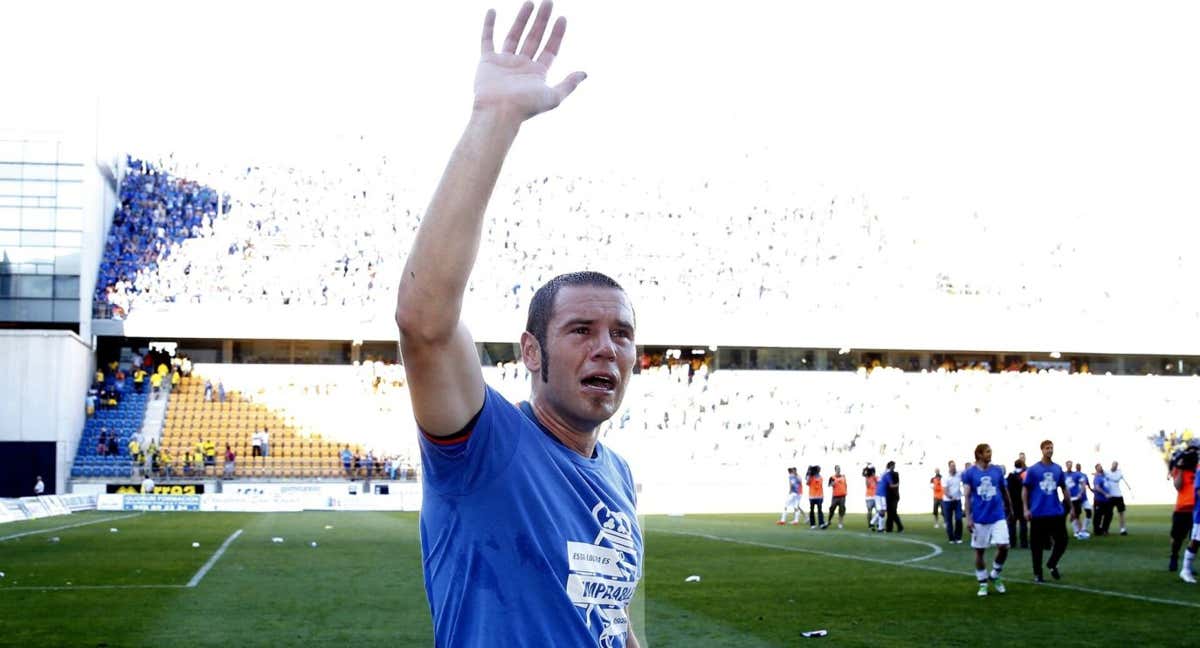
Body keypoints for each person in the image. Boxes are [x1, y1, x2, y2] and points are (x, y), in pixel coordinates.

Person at [394, 4, 640, 645]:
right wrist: (495, 118)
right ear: (531, 351)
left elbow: (612, 623)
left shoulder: (617, 475)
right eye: (581, 330)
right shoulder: (483, 447)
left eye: (621, 334)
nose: (607, 349)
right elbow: (424, 323)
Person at [963, 443, 1013, 596]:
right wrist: (968, 517)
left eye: (990, 451)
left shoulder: (997, 470)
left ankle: (996, 573)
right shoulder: (970, 473)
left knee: (1004, 546)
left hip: (998, 515)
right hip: (979, 517)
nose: (990, 454)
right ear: (979, 454)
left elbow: (1004, 490)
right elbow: (967, 496)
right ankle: (983, 583)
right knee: (980, 551)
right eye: (987, 452)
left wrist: (1010, 507)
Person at [1023, 440, 1076, 583]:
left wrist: (1071, 508)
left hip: (1055, 512)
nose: (1050, 450)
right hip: (1038, 513)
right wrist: (1026, 509)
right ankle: (1038, 574)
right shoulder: (1034, 470)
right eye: (1047, 448)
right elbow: (1025, 489)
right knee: (1037, 546)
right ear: (1042, 450)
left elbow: (1064, 489)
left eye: (1051, 448)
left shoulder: (1058, 469)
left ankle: (1052, 563)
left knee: (1063, 541)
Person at [1169, 446, 1198, 572]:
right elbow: (1178, 486)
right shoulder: (1178, 469)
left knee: (1195, 539)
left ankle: (1188, 566)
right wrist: (1180, 468)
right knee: (1177, 538)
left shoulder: (1197, 469)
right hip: (1182, 509)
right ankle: (1174, 556)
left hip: (1196, 510)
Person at [1006, 458, 1029, 549]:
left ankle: (1012, 543)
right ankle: (1024, 543)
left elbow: (1007, 489)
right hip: (1022, 503)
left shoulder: (1010, 476)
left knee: (1012, 524)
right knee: (1023, 525)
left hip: (1013, 503)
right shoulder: (1024, 475)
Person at [941, 460, 964, 544]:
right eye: (952, 466)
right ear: (949, 467)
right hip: (947, 501)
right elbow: (945, 490)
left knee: (959, 518)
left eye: (954, 466)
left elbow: (967, 471)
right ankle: (951, 538)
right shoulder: (945, 477)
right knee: (949, 520)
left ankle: (958, 537)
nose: (954, 467)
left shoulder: (959, 474)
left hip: (957, 500)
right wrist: (951, 497)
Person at [1106, 460, 1130, 535]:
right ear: (1111, 465)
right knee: (1109, 513)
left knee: (1121, 513)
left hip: (1118, 495)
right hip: (1110, 496)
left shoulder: (1119, 473)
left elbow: (1123, 480)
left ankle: (1122, 529)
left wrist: (1129, 487)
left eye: (1116, 465)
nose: (1115, 466)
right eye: (1114, 464)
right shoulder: (1107, 472)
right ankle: (1106, 529)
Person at [1092, 463, 1112, 536]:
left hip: (1107, 500)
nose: (1101, 468)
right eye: (1099, 467)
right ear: (1096, 468)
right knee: (1098, 516)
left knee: (1109, 515)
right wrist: (1105, 494)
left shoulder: (1104, 476)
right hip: (1099, 500)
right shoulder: (1097, 478)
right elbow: (1097, 487)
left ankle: (1105, 529)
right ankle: (1097, 530)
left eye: (1101, 466)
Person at [883, 461, 903, 533]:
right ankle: (889, 528)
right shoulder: (889, 474)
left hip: (894, 496)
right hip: (889, 496)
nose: (894, 467)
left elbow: (893, 484)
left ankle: (899, 527)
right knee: (890, 512)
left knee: (893, 512)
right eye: (892, 466)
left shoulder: (894, 474)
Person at [863, 464, 879, 530]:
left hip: (876, 496)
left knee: (878, 511)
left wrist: (874, 477)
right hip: (869, 496)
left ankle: (878, 524)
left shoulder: (876, 477)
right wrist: (866, 476)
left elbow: (878, 483)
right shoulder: (867, 478)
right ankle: (870, 525)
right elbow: (867, 485)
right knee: (869, 511)